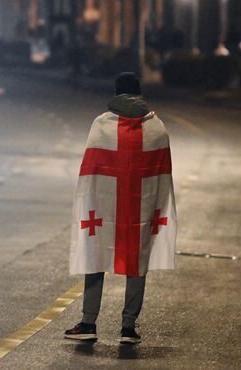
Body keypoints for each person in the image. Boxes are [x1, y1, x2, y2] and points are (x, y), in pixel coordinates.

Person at [65, 72, 177, 344]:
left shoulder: (101, 124)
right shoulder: (157, 127)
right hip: (141, 206)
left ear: (116, 93)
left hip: (104, 204)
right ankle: (128, 328)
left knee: (95, 255)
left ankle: (88, 323)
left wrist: (90, 201)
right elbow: (162, 176)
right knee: (137, 261)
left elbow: (90, 170)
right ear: (139, 93)